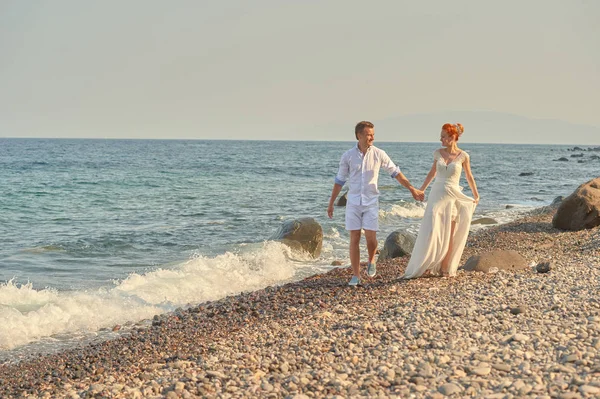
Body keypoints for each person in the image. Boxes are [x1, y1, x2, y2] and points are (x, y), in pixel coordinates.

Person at [328, 121, 424, 286]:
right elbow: (339, 181)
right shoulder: (348, 156)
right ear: (359, 135)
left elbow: (396, 173)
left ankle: (372, 259)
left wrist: (412, 189)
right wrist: (331, 203)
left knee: (371, 238)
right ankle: (356, 275)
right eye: (368, 134)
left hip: (371, 202)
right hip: (353, 203)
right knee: (354, 237)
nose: (372, 137)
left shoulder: (379, 154)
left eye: (372, 134)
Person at [403, 123, 479, 279]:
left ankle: (445, 268)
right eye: (441, 136)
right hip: (436, 195)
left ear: (452, 138)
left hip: (453, 195)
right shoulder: (438, 153)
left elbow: (469, 177)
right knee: (431, 230)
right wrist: (422, 189)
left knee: (450, 234)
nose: (441, 139)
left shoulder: (463, 156)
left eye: (444, 136)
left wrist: (476, 195)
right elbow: (432, 173)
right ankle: (426, 263)